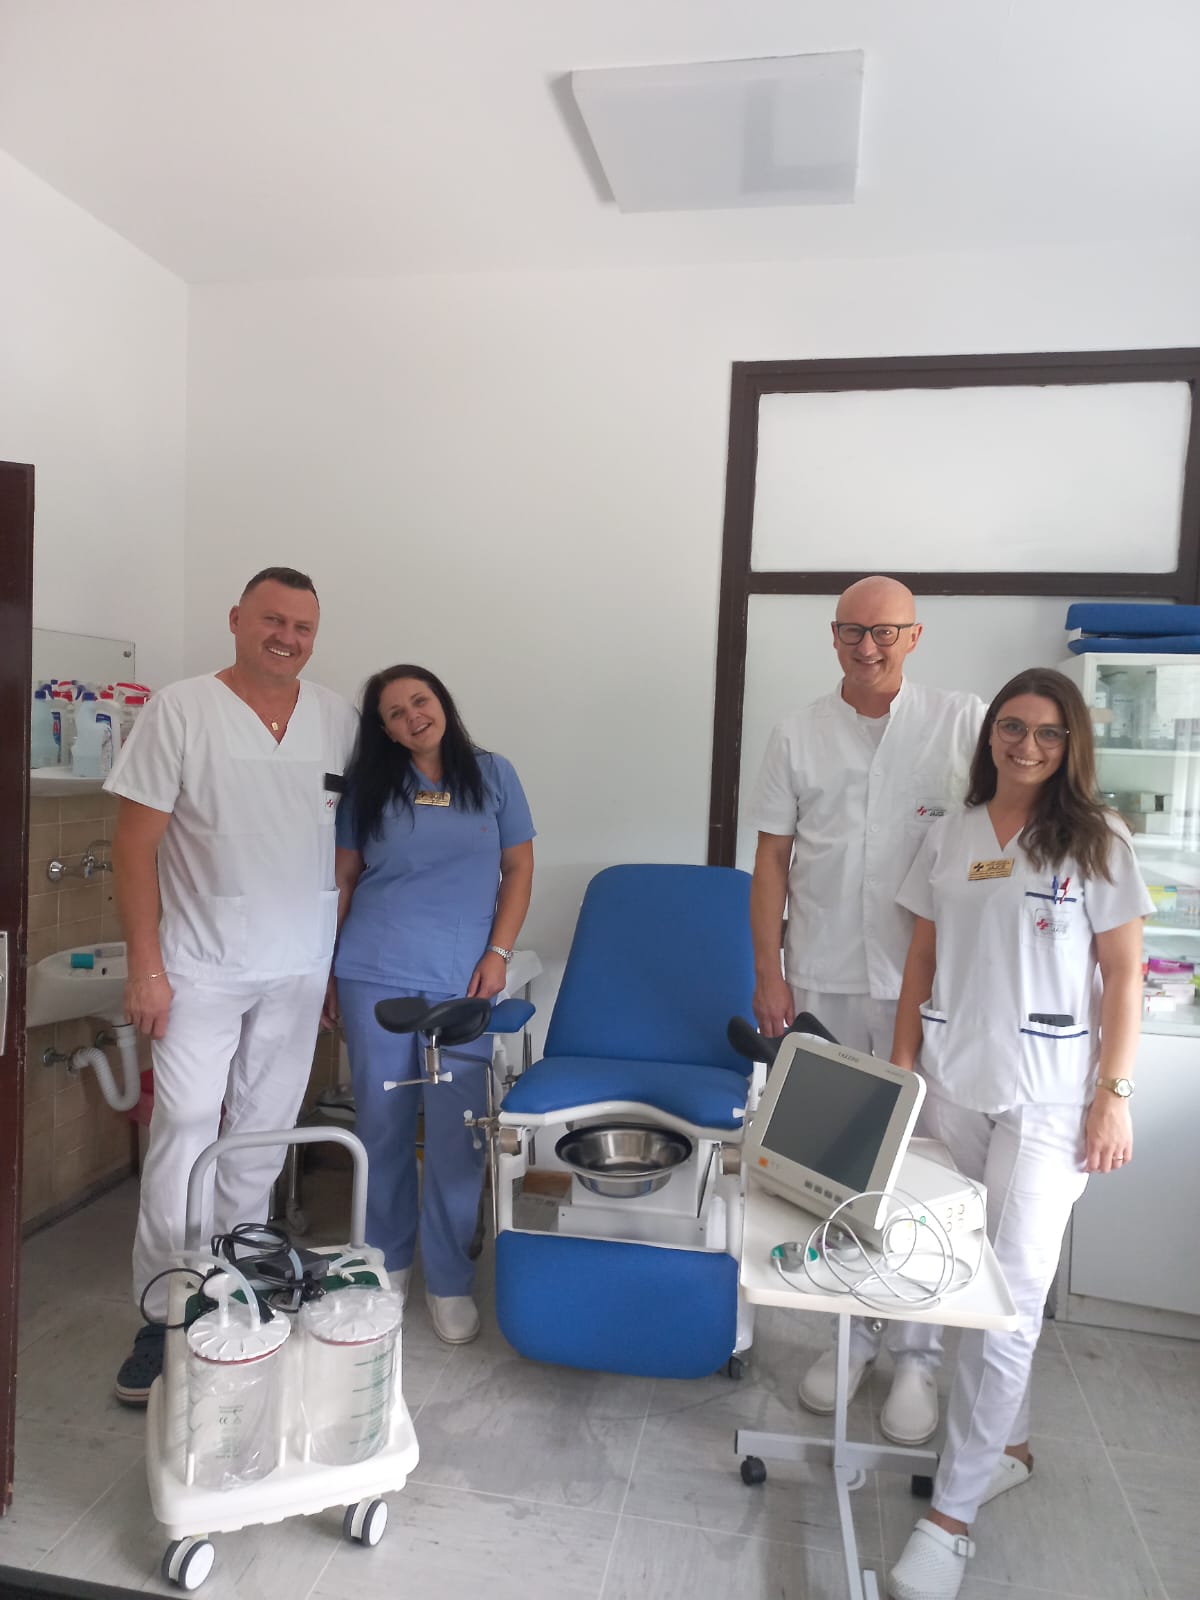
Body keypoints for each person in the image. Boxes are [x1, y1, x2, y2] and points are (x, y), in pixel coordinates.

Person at [886, 667, 1152, 1600]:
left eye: (1045, 731)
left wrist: (1113, 1094)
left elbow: (1125, 974)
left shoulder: (1097, 838)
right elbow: (922, 953)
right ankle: (1014, 1446)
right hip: (955, 1083)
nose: (1026, 745)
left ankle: (950, 1518)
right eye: (1011, 727)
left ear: (1071, 742)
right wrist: (903, 1071)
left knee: (1005, 1301)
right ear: (989, 734)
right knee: (964, 1272)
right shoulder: (952, 831)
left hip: (1049, 1097)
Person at [107, 567, 358, 1402]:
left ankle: (235, 1282)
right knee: (183, 1127)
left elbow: (347, 849)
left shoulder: (337, 720)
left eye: (302, 626)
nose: (287, 637)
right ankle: (166, 1308)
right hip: (199, 966)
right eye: (272, 620)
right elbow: (134, 845)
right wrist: (145, 967)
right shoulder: (180, 710)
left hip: (299, 964)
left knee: (262, 1131)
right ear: (237, 620)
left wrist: (335, 961)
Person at [748, 575, 984, 1445]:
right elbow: (772, 860)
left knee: (923, 1164)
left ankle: (915, 1352)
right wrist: (769, 971)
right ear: (833, 636)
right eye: (853, 631)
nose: (868, 646)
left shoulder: (962, 723)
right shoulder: (797, 731)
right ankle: (848, 1337)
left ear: (914, 637)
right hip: (826, 973)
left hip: (934, 985)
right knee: (837, 1162)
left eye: (886, 632)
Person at [329, 665, 534, 1345]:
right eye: (395, 712)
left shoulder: (493, 774)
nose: (412, 715)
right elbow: (345, 878)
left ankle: (449, 1280)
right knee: (382, 1124)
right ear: (383, 729)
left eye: (420, 700)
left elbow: (519, 867)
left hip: (463, 980)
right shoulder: (368, 785)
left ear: (441, 702)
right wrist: (327, 970)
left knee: (458, 1131)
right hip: (373, 970)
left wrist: (498, 953)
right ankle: (385, 1266)